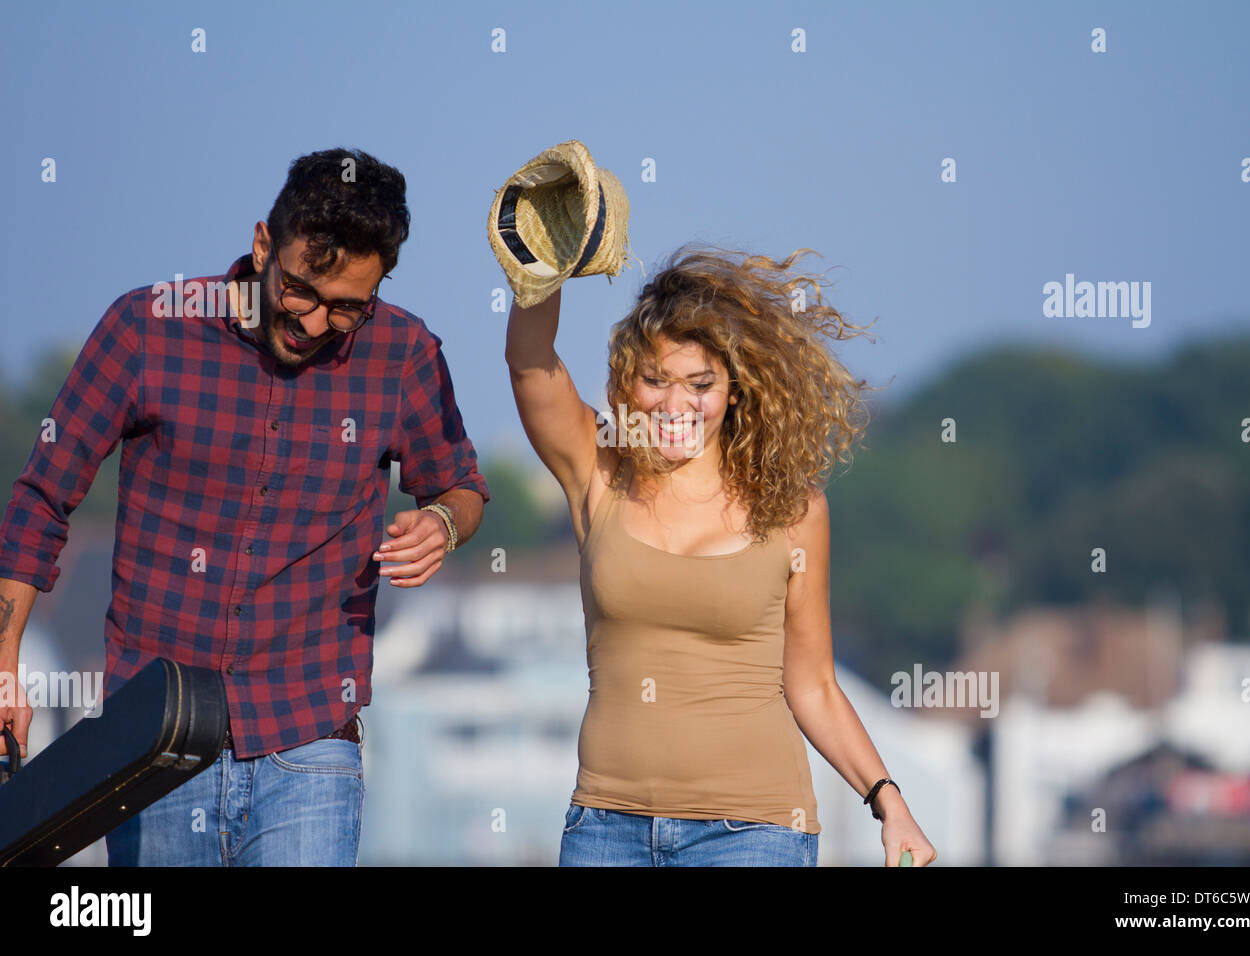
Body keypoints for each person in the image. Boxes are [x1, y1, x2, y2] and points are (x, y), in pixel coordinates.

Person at [0, 147, 489, 865]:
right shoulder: (146, 329)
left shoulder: (403, 354)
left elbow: (460, 485)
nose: (317, 322)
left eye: (349, 307)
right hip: (153, 737)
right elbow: (43, 497)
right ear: (264, 243)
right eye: (300, 291)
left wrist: (443, 523)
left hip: (311, 738)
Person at [506, 245, 938, 866]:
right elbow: (529, 363)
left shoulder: (793, 509)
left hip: (754, 832)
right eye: (655, 379)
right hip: (605, 828)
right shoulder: (599, 469)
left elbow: (813, 684)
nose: (675, 404)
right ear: (629, 380)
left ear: (735, 390)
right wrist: (540, 263)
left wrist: (890, 803)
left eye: (700, 384)